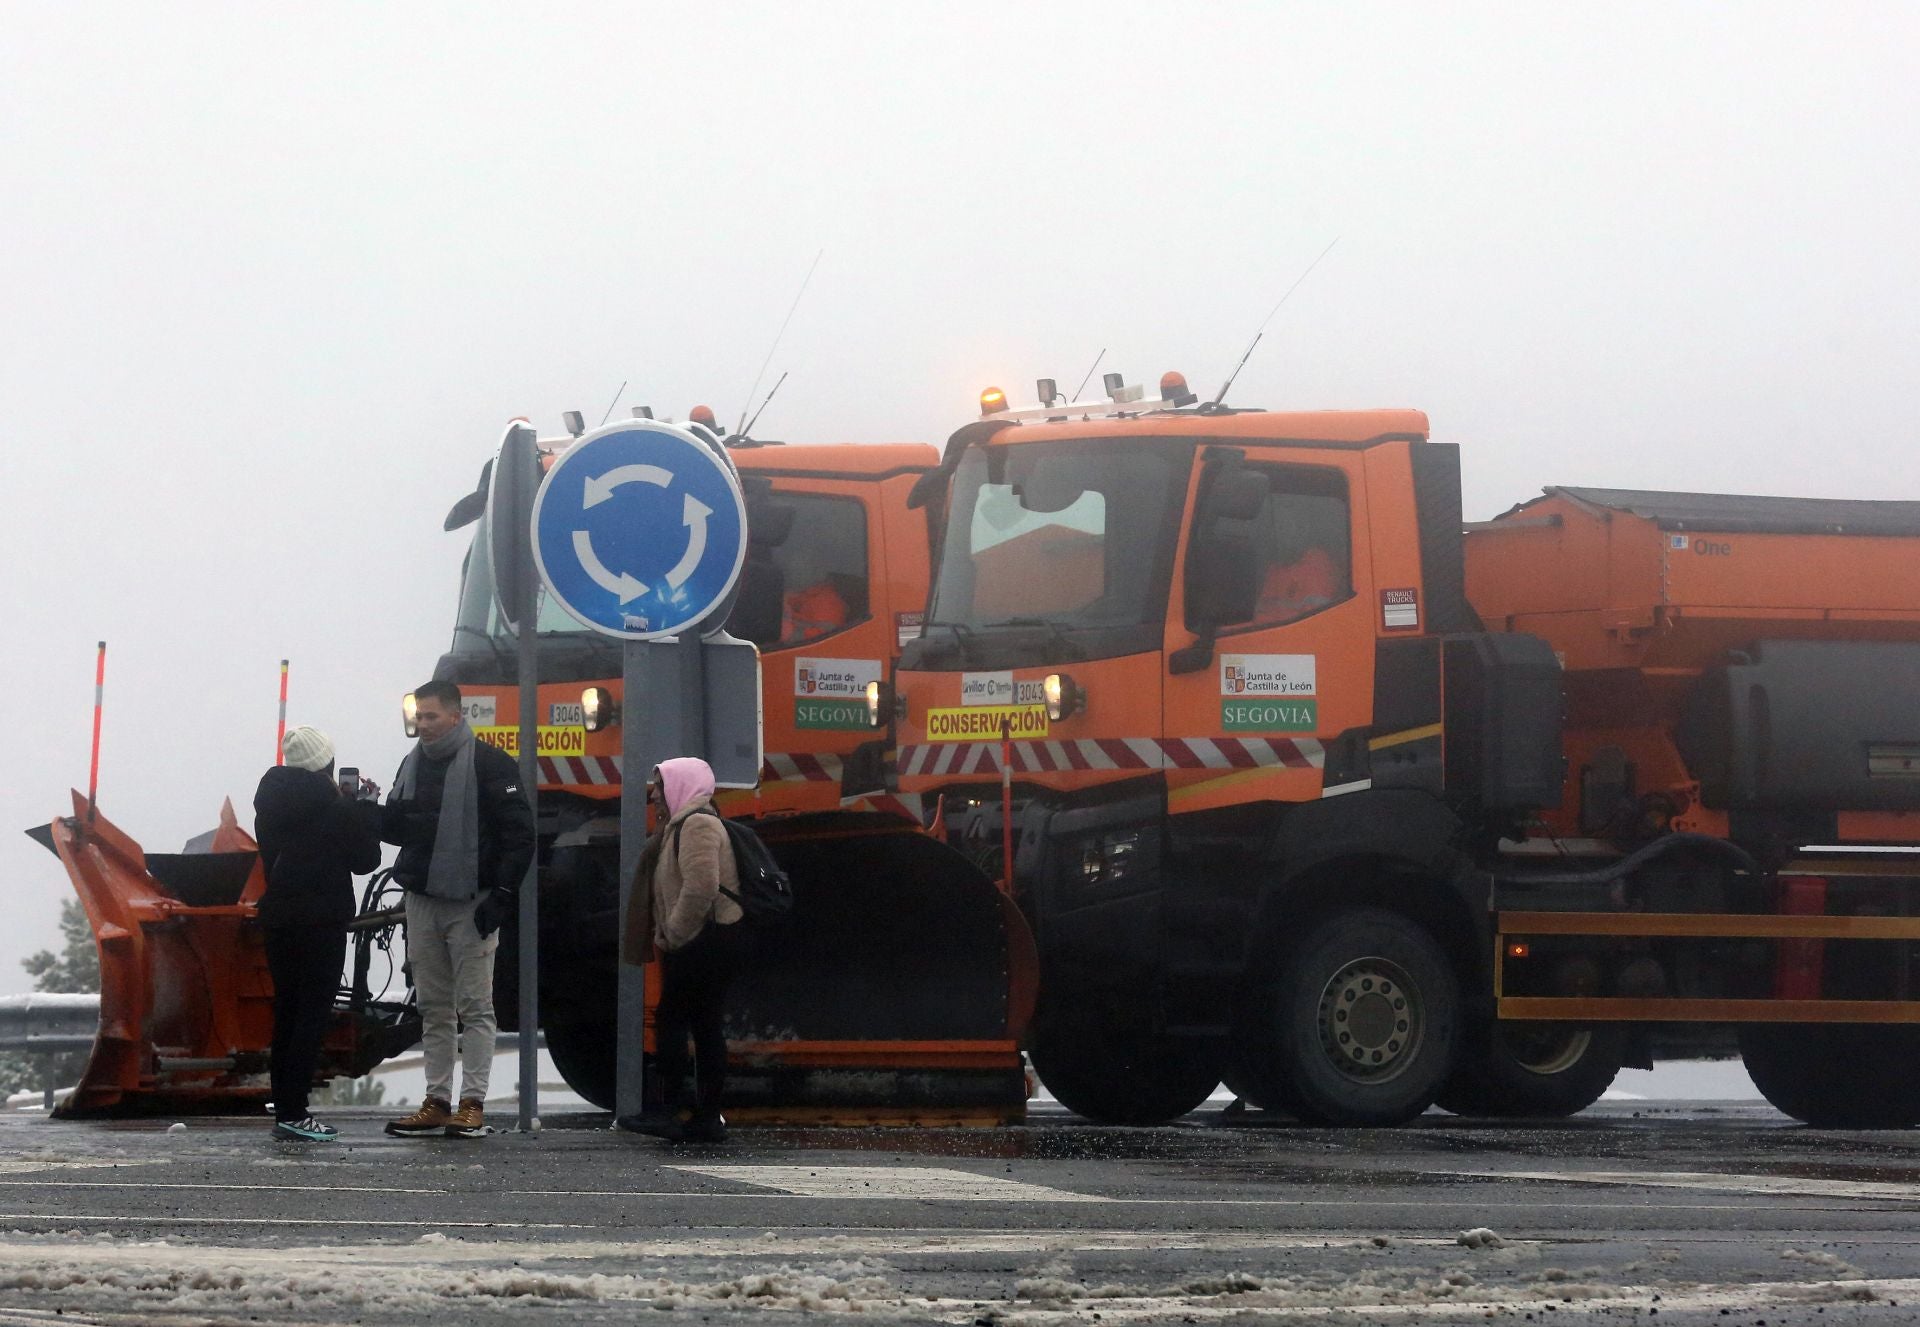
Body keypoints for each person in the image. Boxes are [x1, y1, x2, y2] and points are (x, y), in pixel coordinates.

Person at [380, 679, 536, 1140]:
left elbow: (519, 836)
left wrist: (502, 897)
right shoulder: (410, 766)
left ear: (455, 715)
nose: (422, 725)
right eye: (418, 717)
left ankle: (472, 1103)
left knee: (475, 1006)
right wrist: (370, 813)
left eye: (430, 716)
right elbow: (397, 830)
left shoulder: (490, 763)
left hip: (472, 902)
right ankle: (436, 1100)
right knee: (433, 1006)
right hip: (422, 900)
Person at [252, 725, 383, 1143]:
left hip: (279, 917)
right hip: (322, 921)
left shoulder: (269, 802)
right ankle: (295, 1111)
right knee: (312, 1014)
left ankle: (284, 1104)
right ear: (327, 765)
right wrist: (364, 807)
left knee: (288, 1012)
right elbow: (366, 860)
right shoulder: (337, 807)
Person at [616, 757, 746, 1144]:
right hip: (705, 940)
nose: (654, 793)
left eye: (661, 785)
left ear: (681, 786)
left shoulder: (698, 824)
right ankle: (703, 1117)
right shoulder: (680, 825)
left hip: (705, 941)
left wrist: (673, 932)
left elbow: (701, 887)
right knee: (704, 1025)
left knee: (674, 1021)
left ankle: (669, 1111)